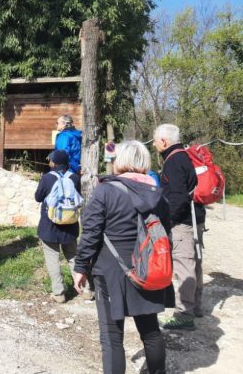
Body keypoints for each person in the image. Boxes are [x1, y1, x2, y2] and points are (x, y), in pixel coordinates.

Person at [74, 140, 172, 374]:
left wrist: (80, 267)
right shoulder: (157, 194)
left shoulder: (105, 190)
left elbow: (91, 232)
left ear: (121, 160)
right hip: (147, 267)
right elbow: (165, 234)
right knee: (150, 331)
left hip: (110, 270)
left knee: (111, 336)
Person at [153, 123, 200, 330]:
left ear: (164, 141)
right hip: (192, 219)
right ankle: (194, 307)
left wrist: (168, 221)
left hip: (181, 223)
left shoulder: (174, 161)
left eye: (155, 141)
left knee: (184, 266)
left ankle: (184, 315)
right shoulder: (183, 156)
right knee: (192, 263)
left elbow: (178, 198)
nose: (154, 145)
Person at [34, 150, 91, 303]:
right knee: (73, 256)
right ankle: (85, 289)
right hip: (70, 224)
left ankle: (59, 293)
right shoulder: (74, 178)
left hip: (50, 225)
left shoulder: (47, 178)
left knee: (53, 258)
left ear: (54, 162)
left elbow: (38, 197)